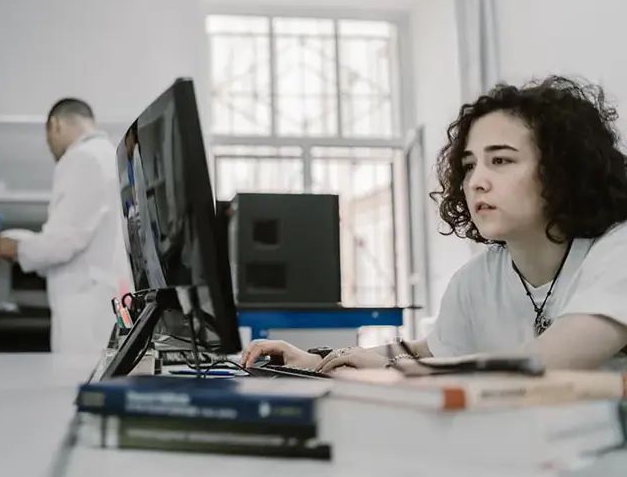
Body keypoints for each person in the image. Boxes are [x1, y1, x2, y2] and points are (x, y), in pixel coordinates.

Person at [241, 75, 627, 373]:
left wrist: (397, 370)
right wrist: (319, 360)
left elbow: (542, 363)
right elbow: (432, 349)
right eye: (469, 165)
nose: (476, 181)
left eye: (501, 160)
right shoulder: (475, 279)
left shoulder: (617, 252)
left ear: (563, 170)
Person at [0, 98, 131, 353]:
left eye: (48, 141)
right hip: (106, 300)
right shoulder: (110, 155)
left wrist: (17, 248)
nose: (51, 150)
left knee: (78, 375)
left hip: (85, 309)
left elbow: (61, 243)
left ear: (55, 125)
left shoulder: (80, 158)